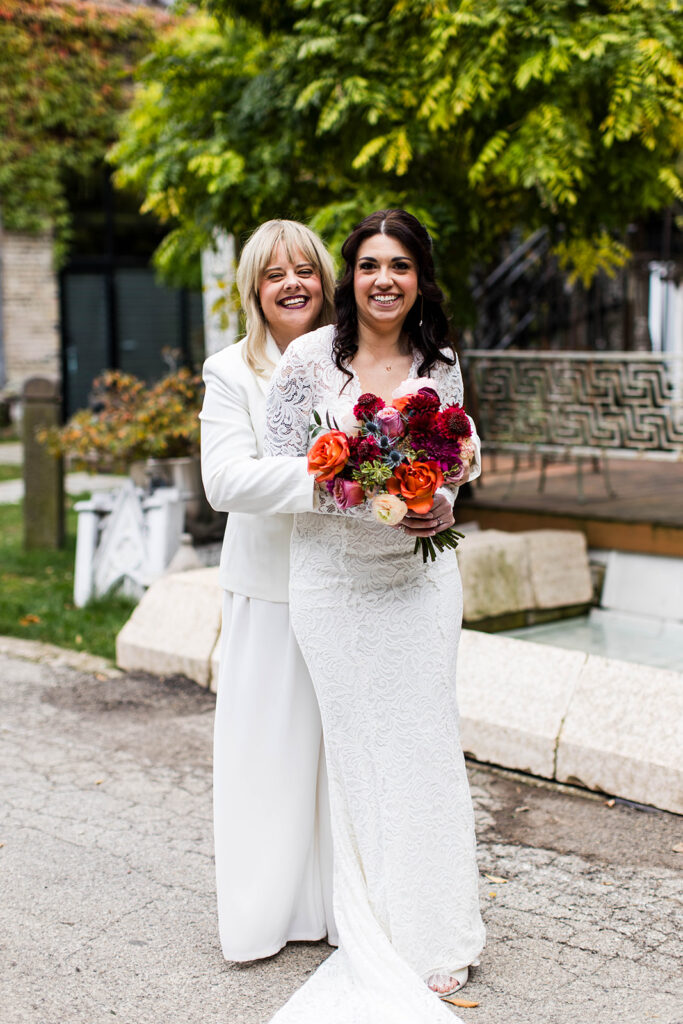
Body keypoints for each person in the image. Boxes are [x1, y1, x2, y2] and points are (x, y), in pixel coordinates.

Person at [199, 219, 457, 964]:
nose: (292, 285)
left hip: (367, 585)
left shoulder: (354, 361)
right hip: (275, 588)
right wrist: (335, 479)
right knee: (272, 762)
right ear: (252, 287)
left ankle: (356, 909)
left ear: (327, 281)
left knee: (354, 757)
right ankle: (265, 917)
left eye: (305, 271)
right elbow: (224, 481)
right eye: (274, 274)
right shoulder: (231, 371)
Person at [263, 209, 486, 1023]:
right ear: (347, 277)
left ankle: (437, 934)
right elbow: (283, 468)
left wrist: (436, 505)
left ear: (419, 278)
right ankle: (375, 923)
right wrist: (354, 485)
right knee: (360, 752)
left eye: (398, 265)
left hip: (420, 586)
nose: (382, 279)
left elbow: (454, 464)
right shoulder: (306, 362)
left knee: (424, 746)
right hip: (331, 584)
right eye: (367, 265)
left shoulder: (442, 363)